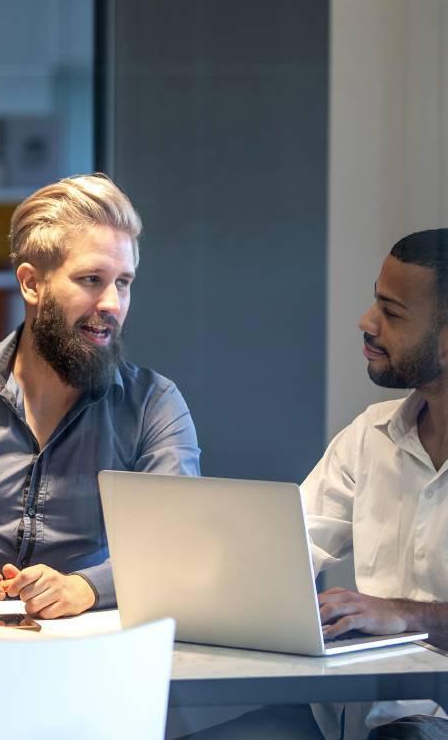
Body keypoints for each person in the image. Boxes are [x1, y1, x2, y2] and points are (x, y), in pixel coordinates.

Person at [0, 173, 200, 619]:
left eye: (123, 282)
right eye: (91, 279)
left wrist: (85, 587)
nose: (112, 304)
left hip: (93, 650)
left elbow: (176, 547)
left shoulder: (154, 405)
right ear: (30, 284)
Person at [184, 230, 448, 740]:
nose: (367, 323)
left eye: (392, 313)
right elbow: (280, 555)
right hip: (344, 719)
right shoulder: (369, 436)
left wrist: (402, 615)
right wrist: (208, 574)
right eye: (376, 300)